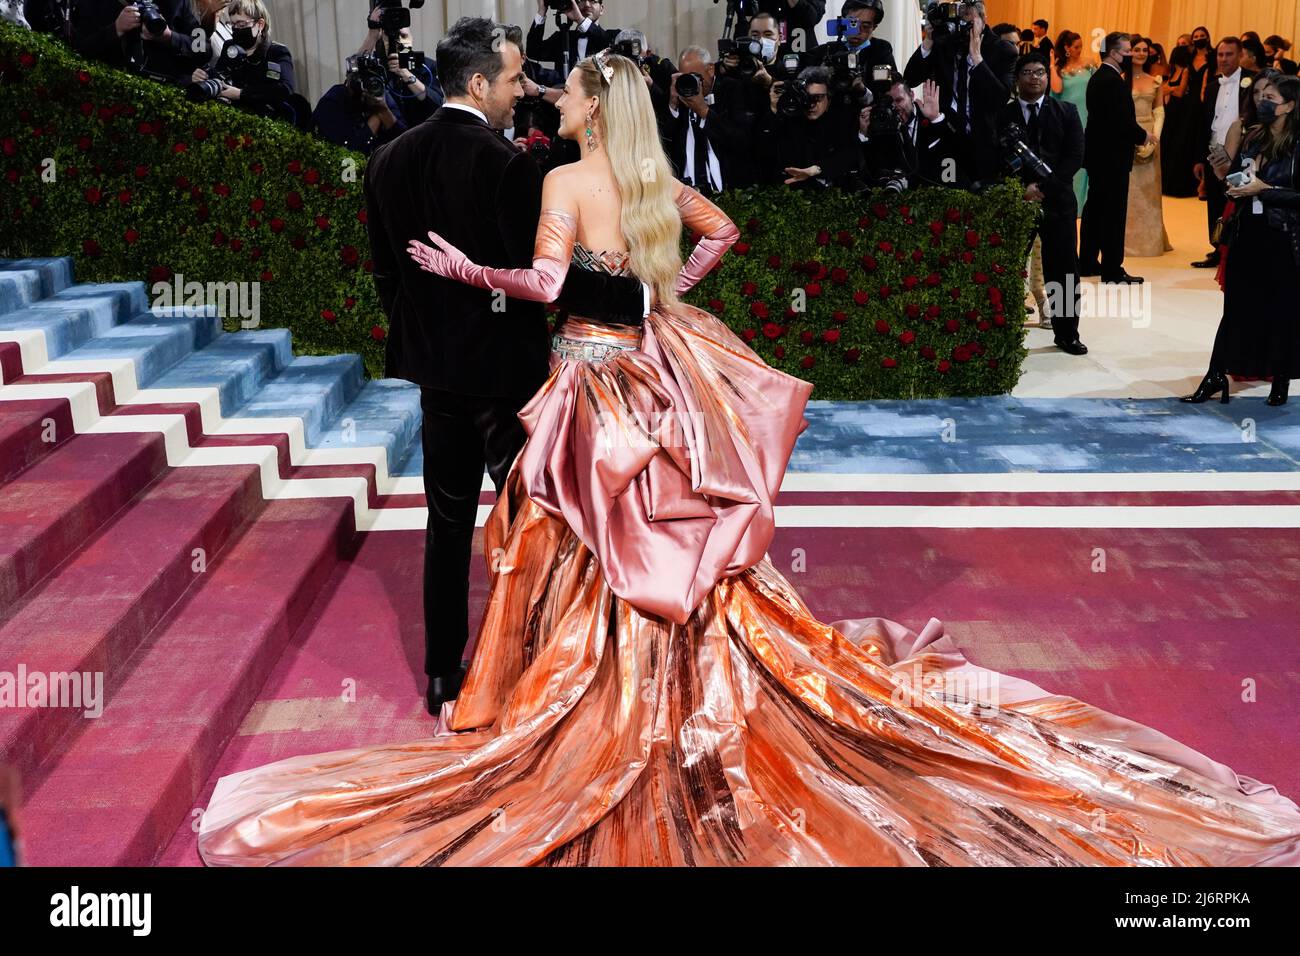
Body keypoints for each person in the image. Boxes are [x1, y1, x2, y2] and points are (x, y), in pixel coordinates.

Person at [194, 46, 1300, 870]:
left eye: (565, 92)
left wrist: (459, 270)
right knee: (666, 524)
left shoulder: (563, 186)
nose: (550, 100)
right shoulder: (647, 179)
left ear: (589, 107)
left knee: (580, 530)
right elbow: (724, 234)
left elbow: (537, 288)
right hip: (657, 366)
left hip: (589, 378)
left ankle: (582, 695)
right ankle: (658, 682)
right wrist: (663, 294)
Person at [358, 18, 648, 714]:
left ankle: (440, 674)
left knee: (447, 521)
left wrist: (427, 340)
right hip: (510, 379)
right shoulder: (508, 165)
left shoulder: (386, 160)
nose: (524, 91)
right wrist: (634, 295)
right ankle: (544, 663)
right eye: (515, 78)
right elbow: (551, 280)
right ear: (480, 81)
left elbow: (388, 279)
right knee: (536, 522)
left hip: (439, 378)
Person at [1184, 76, 1300, 407]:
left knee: (1280, 310)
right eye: (1260, 95)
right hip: (1246, 233)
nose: (1262, 101)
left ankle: (1280, 378)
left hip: (1282, 238)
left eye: (1271, 97)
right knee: (1234, 308)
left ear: (1289, 106)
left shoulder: (1297, 146)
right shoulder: (1253, 137)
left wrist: (1266, 191)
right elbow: (1236, 177)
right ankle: (1216, 373)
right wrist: (1230, 181)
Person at [998, 53, 1086, 354]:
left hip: (1058, 202)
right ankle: (1004, 330)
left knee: (1063, 271)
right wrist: (1023, 188)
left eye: (1040, 72)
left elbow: (1074, 156)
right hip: (1016, 202)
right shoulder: (1002, 115)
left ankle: (1067, 334)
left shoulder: (1067, 111)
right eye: (1027, 72)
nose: (1034, 77)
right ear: (1017, 78)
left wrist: (1043, 187)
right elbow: (994, 158)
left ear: (1047, 77)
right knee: (1008, 267)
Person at [902, 1, 1016, 186]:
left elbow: (1000, 98)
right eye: (959, 22)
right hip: (947, 137)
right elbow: (911, 78)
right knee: (950, 200)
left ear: (984, 20)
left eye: (969, 22)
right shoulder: (945, 43)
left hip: (984, 141)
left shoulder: (1002, 50)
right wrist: (929, 40)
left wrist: (977, 59)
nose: (963, 28)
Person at [1078, 32, 1156, 284]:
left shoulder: (1099, 78)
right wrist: (1144, 136)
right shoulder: (1112, 81)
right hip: (1111, 158)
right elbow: (1121, 122)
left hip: (1100, 157)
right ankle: (1112, 268)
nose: (1131, 56)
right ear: (1113, 53)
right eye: (1127, 51)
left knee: (1095, 210)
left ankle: (1088, 261)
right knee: (1112, 213)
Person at [1191, 37, 1256, 269]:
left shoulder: (1251, 82)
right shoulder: (1211, 88)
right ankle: (1217, 249)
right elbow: (1205, 123)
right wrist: (1199, 158)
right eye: (1220, 55)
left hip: (1241, 153)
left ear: (1239, 56)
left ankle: (1237, 250)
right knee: (1215, 204)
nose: (1224, 59)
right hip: (1214, 153)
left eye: (1229, 54)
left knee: (1239, 201)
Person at [188, 0, 302, 126]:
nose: (236, 29)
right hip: (231, 118)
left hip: (266, 122)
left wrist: (241, 94)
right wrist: (203, 76)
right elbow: (220, 74)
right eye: (233, 24)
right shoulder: (230, 46)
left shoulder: (277, 52)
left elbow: (286, 89)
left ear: (260, 24)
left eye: (241, 24)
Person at [660, 45, 757, 192]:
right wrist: (673, 104)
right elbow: (663, 143)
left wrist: (704, 111)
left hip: (728, 192)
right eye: (684, 77)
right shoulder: (677, 97)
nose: (690, 83)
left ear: (710, 69)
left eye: (694, 76)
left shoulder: (733, 90)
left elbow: (741, 140)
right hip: (686, 193)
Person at [70, 0, 203, 84]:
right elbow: (78, 49)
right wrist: (116, 29)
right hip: (102, 88)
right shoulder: (94, 4)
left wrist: (169, 37)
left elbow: (203, 48)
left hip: (161, 97)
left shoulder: (178, 3)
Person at [1124, 36, 1172, 257]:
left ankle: (1151, 241)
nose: (1141, 53)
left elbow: (1159, 111)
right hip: (1129, 135)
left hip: (1152, 135)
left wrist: (1154, 140)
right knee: (1129, 191)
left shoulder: (1155, 80)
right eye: (1137, 49)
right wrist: (1135, 137)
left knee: (1149, 192)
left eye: (1145, 50)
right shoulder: (1121, 79)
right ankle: (1127, 241)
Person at [1050, 29, 1093, 212]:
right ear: (1066, 48)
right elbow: (1056, 89)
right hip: (1068, 118)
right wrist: (1052, 66)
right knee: (1070, 158)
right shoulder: (1059, 69)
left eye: (1081, 46)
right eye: (1076, 47)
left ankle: (1084, 204)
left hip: (1089, 115)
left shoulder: (1089, 65)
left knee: (1086, 158)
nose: (1080, 50)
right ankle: (1069, 203)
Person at [1161, 43, 1201, 196]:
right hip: (1170, 113)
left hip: (1182, 115)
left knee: (1178, 148)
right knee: (1168, 147)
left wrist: (1170, 90)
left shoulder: (1185, 71)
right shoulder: (1172, 72)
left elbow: (1180, 92)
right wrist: (1172, 90)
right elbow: (1168, 91)